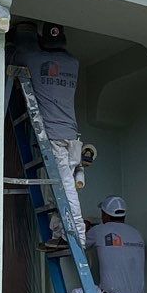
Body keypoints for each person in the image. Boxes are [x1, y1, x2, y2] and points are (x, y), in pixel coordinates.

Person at [19, 21, 87, 247]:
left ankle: (78, 237)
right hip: (72, 136)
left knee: (65, 188)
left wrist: (25, 35)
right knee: (55, 187)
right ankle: (59, 235)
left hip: (55, 137)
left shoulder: (34, 59)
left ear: (43, 42)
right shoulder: (74, 63)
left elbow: (17, 54)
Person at [86, 196, 147, 293]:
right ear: (124, 215)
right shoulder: (137, 233)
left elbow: (80, 242)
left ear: (104, 214)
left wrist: (86, 227)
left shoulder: (99, 230)